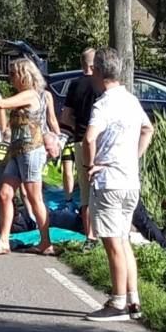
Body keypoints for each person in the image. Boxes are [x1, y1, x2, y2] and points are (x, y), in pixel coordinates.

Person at [83, 47, 155, 322]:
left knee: (112, 243)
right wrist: (133, 156)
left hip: (109, 181)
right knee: (123, 240)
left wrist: (90, 166)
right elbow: (148, 129)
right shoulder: (131, 100)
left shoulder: (103, 104)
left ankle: (118, 302)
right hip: (130, 181)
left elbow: (89, 138)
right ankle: (133, 299)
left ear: (99, 72)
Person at [0, 58, 59, 256]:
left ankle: (46, 242)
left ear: (23, 75)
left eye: (13, 75)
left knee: (34, 197)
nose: (11, 79)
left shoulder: (31, 94)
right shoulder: (22, 95)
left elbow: (1, 104)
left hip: (31, 151)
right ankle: (3, 241)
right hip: (16, 151)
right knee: (4, 194)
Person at [61, 48, 101, 246]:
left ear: (82, 64)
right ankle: (105, 234)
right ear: (96, 65)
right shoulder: (101, 85)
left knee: (85, 193)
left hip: (80, 141)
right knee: (102, 189)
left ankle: (90, 237)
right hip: (100, 141)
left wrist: (78, 127)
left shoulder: (75, 85)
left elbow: (65, 117)